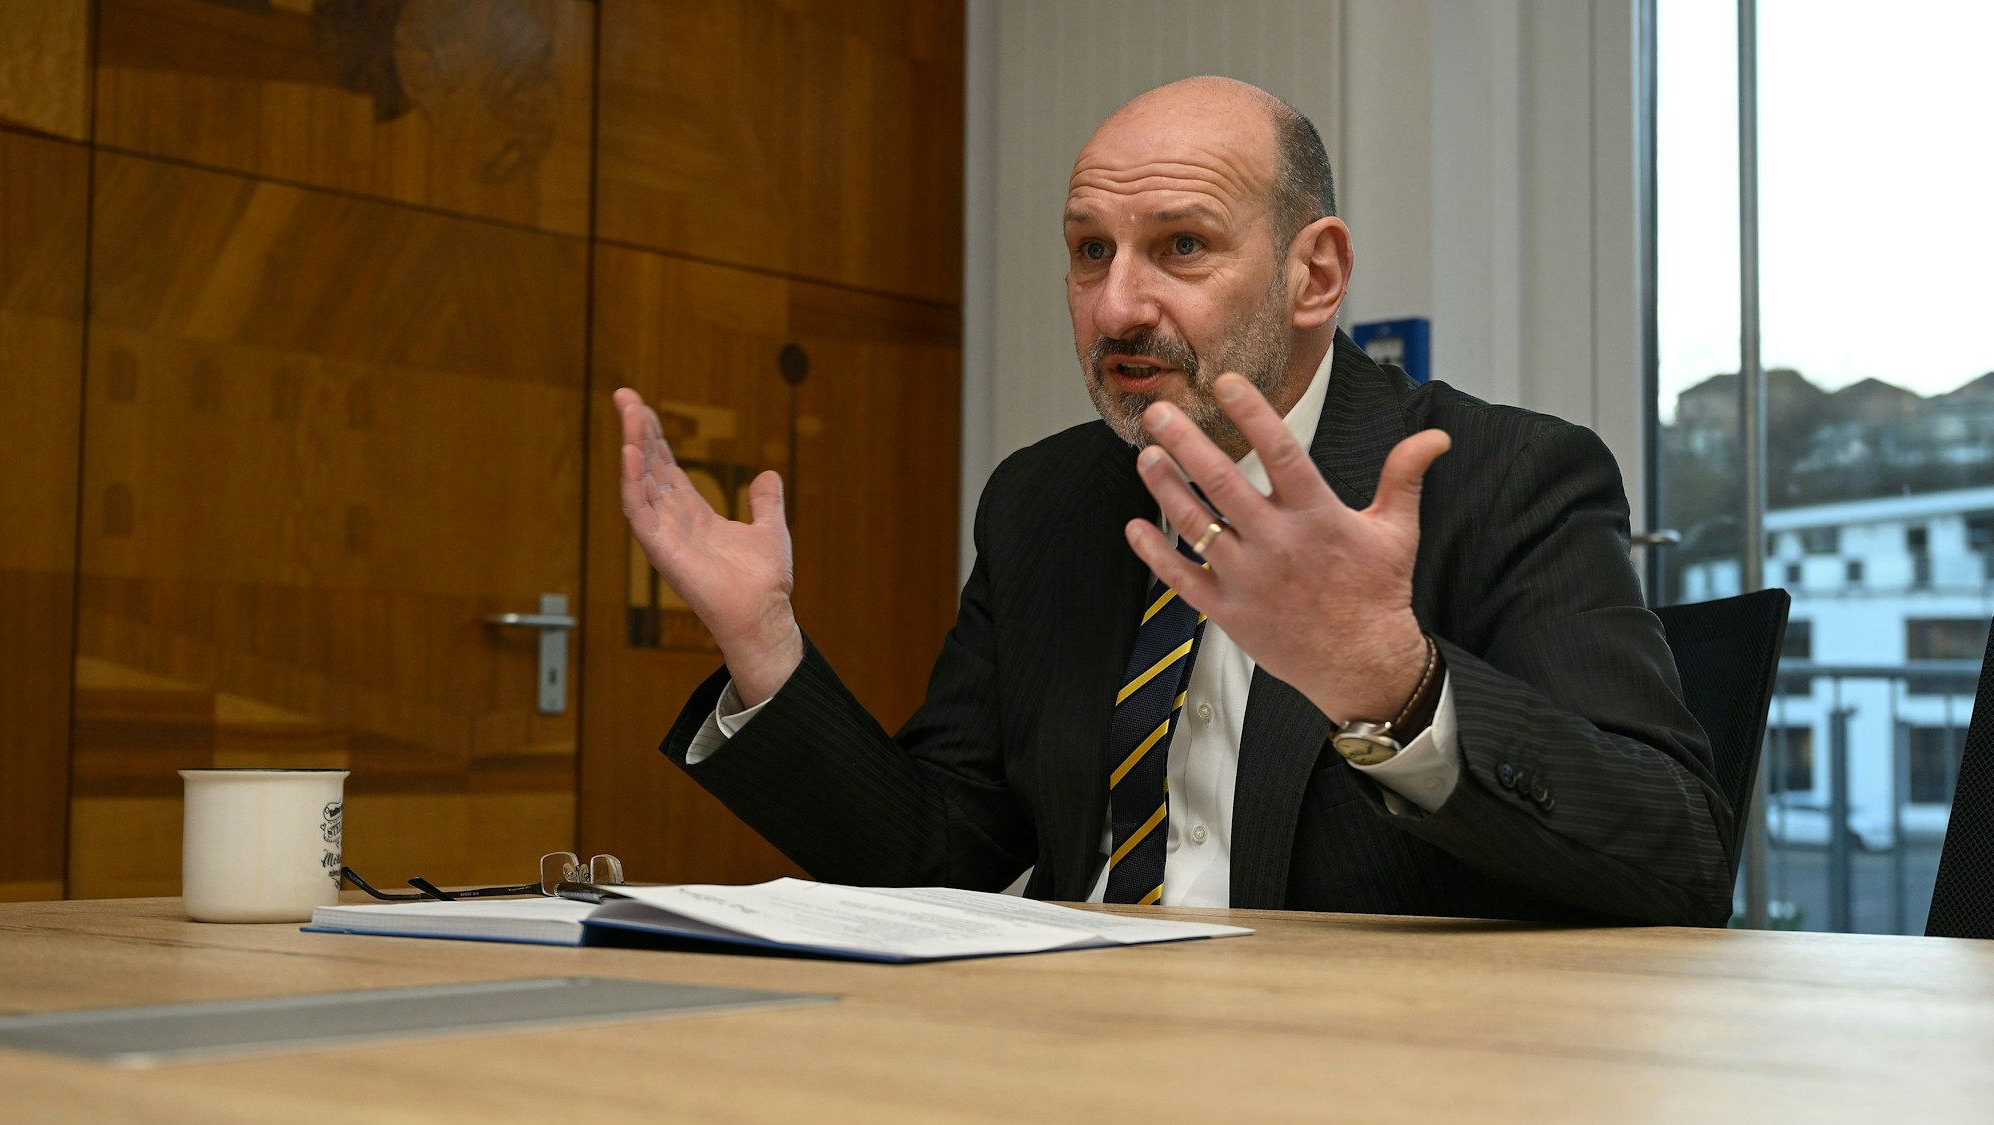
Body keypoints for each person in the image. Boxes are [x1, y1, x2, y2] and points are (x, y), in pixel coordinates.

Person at [614, 76, 1733, 925]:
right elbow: (939, 859)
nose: (1115, 307)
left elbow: (1679, 859)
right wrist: (768, 650)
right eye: (1088, 251)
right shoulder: (1042, 500)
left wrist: (1389, 683)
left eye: (1180, 246)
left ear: (1314, 275)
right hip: (1076, 1046)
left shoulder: (1498, 475)